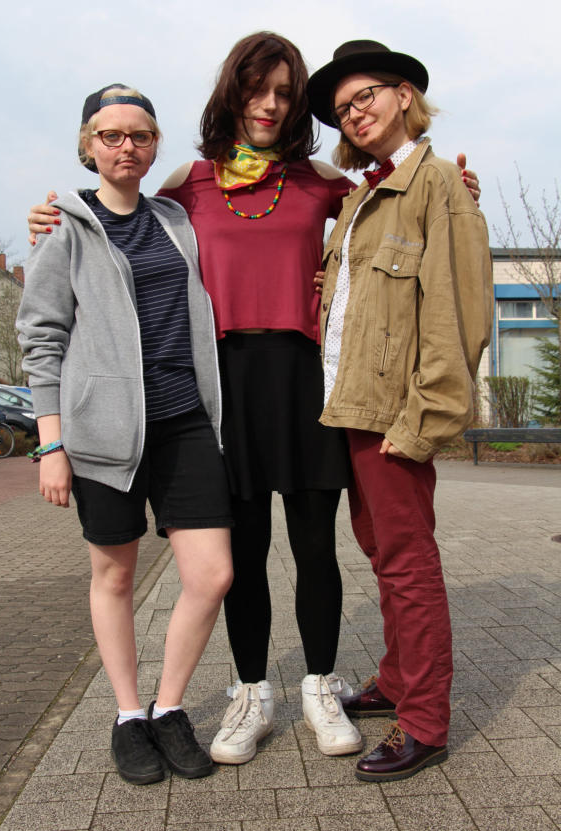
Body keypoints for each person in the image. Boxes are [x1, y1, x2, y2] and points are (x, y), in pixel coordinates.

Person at [27, 32, 480, 766]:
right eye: (255, 89)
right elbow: (120, 219)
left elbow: (393, 206)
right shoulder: (190, 182)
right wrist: (50, 220)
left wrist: (460, 192)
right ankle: (250, 691)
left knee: (315, 544)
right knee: (243, 548)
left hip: (306, 381)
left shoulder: (320, 180)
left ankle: (320, 684)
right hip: (221, 383)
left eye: (283, 93)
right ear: (231, 95)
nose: (268, 104)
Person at [17, 85, 233, 785]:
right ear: (88, 146)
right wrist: (51, 444)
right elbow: (42, 339)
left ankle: (170, 708)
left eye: (139, 135)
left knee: (213, 574)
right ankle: (128, 715)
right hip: (102, 434)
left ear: (154, 144)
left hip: (185, 421)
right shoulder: (64, 228)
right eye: (110, 135)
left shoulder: (176, 220)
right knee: (113, 574)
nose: (125, 146)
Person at [307, 40, 493, 782]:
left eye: (366, 96)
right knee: (381, 553)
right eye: (343, 110)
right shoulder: (360, 199)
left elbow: (459, 312)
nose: (355, 113)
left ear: (405, 95)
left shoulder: (438, 184)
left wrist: (424, 422)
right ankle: (394, 679)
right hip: (349, 405)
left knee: (410, 564)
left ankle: (424, 720)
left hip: (395, 416)